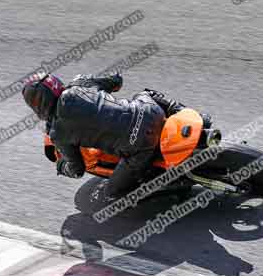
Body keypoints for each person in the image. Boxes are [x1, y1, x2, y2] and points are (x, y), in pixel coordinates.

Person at [22, 71, 210, 199]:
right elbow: (116, 80)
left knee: (113, 193)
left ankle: (174, 184)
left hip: (139, 146)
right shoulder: (80, 83)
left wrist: (62, 166)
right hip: (150, 112)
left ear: (37, 105)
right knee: (146, 93)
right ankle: (195, 117)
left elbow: (77, 169)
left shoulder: (58, 134)